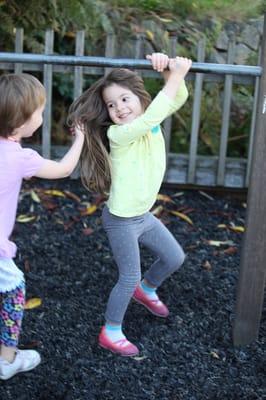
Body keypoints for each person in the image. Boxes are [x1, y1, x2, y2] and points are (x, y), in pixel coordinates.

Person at [68, 53, 192, 356]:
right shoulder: (119, 134)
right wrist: (175, 76)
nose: (119, 108)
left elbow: (178, 98)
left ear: (140, 97)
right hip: (121, 219)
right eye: (112, 105)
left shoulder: (150, 122)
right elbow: (156, 111)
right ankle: (110, 330)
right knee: (128, 276)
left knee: (174, 257)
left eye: (125, 99)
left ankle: (146, 290)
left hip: (142, 215)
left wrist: (168, 73)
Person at [0, 73, 84, 379]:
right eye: (39, 112)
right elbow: (64, 169)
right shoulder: (21, 158)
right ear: (21, 123)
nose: (42, 116)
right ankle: (6, 360)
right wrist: (81, 139)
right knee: (14, 290)